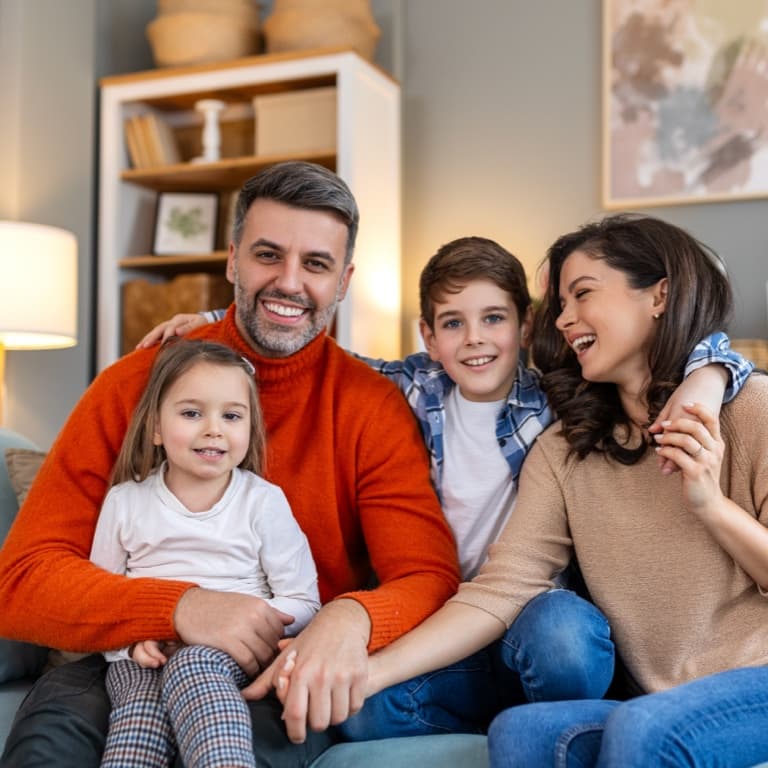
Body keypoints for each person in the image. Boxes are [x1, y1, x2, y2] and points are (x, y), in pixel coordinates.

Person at [140, 235, 754, 744]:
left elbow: (710, 340)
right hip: (443, 612)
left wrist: (710, 373)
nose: (475, 338)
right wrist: (219, 324)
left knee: (561, 634)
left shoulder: (557, 403)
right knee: (367, 712)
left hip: (535, 617)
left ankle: (552, 717)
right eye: (453, 324)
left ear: (525, 325)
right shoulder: (425, 393)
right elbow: (316, 356)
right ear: (429, 337)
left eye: (494, 319)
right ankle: (520, 720)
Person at [0, 161, 460, 768]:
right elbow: (22, 580)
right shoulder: (134, 383)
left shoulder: (369, 406)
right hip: (123, 660)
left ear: (344, 281)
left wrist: (350, 617)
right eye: (268, 255)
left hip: (273, 663)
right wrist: (182, 606)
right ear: (232, 260)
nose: (289, 282)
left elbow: (427, 575)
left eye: (316, 264)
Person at [312, 213, 768, 767]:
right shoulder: (565, 447)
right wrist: (372, 672)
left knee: (641, 728)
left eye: (582, 294)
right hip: (651, 699)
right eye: (561, 304)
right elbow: (503, 588)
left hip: (754, 683)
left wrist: (711, 505)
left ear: (659, 296)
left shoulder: (751, 410)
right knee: (521, 733)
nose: (565, 318)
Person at [93, 338, 320, 768]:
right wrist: (131, 643)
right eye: (192, 413)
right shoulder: (125, 502)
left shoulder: (262, 502)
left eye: (231, 416)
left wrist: (248, 621)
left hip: (228, 653)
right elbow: (100, 599)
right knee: (138, 716)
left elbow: (304, 601)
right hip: (142, 658)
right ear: (156, 428)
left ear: (250, 428)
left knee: (194, 666)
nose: (214, 429)